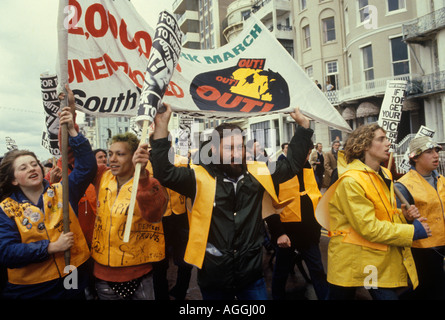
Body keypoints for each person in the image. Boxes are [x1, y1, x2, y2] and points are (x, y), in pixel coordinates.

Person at [150, 103, 313, 300]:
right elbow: (164, 173)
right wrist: (161, 126)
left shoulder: (258, 173)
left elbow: (291, 165)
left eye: (239, 147)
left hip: (252, 277)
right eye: (228, 148)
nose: (235, 153)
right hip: (214, 278)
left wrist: (303, 128)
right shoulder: (198, 177)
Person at [317, 123, 431, 300]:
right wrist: (412, 232)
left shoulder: (384, 174)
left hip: (375, 258)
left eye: (386, 138)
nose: (388, 143)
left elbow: (384, 214)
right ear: (364, 145)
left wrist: (403, 215)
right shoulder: (351, 181)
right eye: (381, 139)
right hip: (351, 259)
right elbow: (369, 227)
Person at [0, 106, 97, 299]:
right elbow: (6, 252)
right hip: (31, 288)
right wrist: (50, 247)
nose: (31, 168)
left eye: (34, 163)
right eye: (23, 167)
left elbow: (87, 167)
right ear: (13, 180)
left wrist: (72, 131)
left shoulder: (63, 190)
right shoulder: (6, 209)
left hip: (72, 276)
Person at [91, 132, 168, 300]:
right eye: (110, 154)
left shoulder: (150, 183)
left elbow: (155, 215)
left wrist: (142, 178)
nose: (113, 159)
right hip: (103, 275)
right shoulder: (102, 177)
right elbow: (78, 158)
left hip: (140, 274)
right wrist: (71, 123)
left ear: (134, 157)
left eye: (120, 154)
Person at [265, 143, 329, 300]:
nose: (306, 156)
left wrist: (316, 228)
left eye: (308, 153)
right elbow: (269, 204)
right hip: (287, 234)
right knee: (281, 272)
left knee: (318, 271)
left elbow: (313, 197)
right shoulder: (278, 169)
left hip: (309, 234)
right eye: (304, 153)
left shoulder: (308, 168)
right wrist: (279, 233)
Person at [395, 136, 445, 299]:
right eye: (429, 152)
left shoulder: (442, 180)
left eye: (436, 151)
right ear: (415, 157)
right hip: (423, 250)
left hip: (443, 244)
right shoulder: (402, 186)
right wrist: (407, 217)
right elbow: (397, 221)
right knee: (426, 290)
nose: (436, 155)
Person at [151, 151, 193, 300]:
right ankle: (161, 295)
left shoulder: (182, 160)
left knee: (186, 260)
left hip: (182, 216)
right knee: (159, 262)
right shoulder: (147, 163)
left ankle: (180, 291)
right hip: (159, 218)